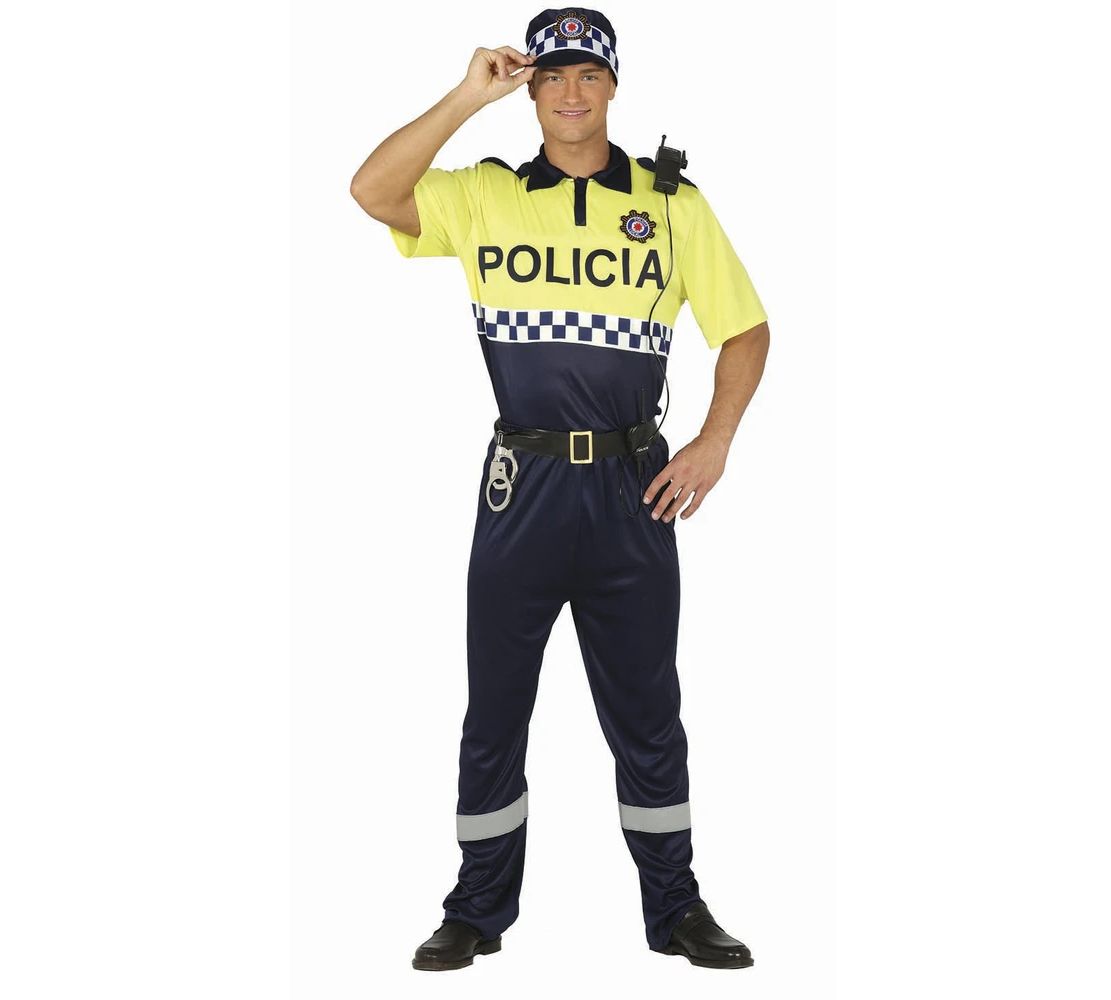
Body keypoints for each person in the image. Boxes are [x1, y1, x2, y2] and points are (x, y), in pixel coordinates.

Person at [350, 6, 769, 972]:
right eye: (552, 76)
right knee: (495, 709)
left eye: (588, 74)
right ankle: (476, 909)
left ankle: (676, 909)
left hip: (634, 489)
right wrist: (467, 96)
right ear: (530, 90)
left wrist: (714, 440)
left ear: (614, 85)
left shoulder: (671, 203)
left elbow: (746, 329)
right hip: (523, 488)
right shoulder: (483, 196)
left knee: (649, 712)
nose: (571, 92)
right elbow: (372, 190)